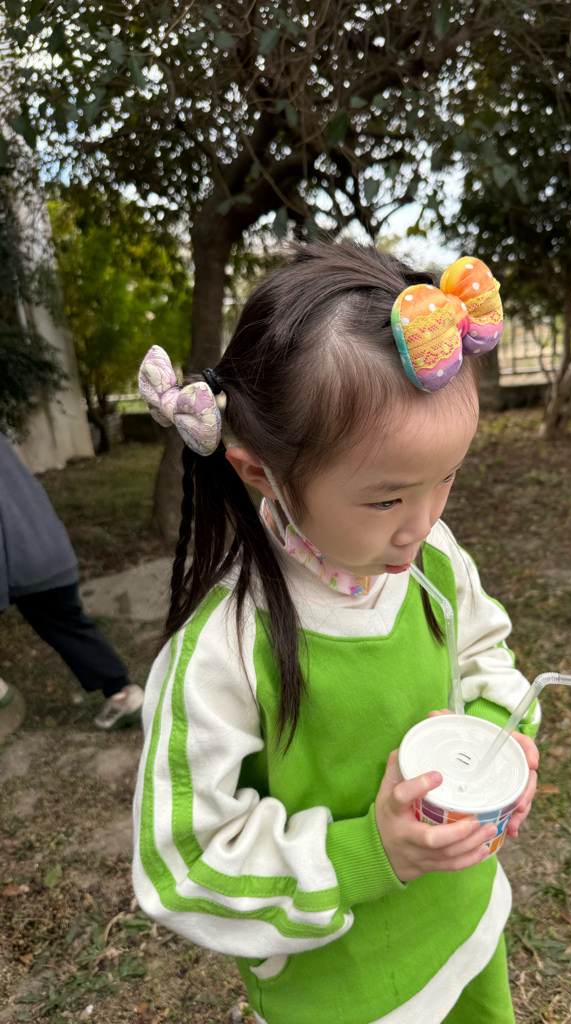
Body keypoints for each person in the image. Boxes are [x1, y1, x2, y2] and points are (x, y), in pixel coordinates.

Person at [132, 242, 541, 1024]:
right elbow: (181, 863)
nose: (422, 525)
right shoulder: (225, 649)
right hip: (345, 992)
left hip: (466, 926)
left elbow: (486, 658)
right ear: (260, 472)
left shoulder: (435, 559)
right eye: (387, 500)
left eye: (447, 478)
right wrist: (369, 854)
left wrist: (498, 743)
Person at [0, 432, 144, 738]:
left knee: (63, 622)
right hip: (49, 548)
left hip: (18, 560)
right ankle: (124, 693)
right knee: (69, 624)